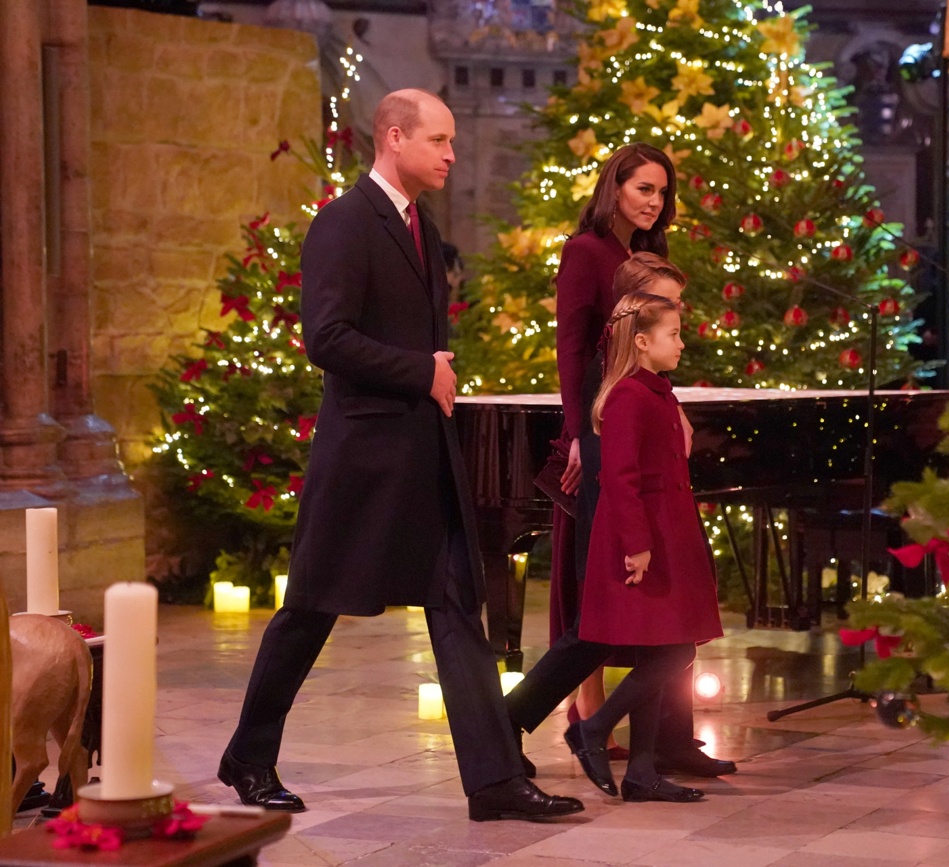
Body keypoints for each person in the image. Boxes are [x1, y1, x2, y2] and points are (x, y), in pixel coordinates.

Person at [216, 89, 582, 823]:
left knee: (457, 610)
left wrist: (430, 379)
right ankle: (248, 758)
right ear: (393, 138)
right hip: (364, 460)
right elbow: (326, 336)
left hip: (423, 455)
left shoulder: (420, 221)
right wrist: (422, 371)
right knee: (310, 609)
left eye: (451, 140)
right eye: (439, 140)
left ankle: (494, 782)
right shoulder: (344, 223)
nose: (451, 153)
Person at [504, 143, 734, 778]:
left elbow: (644, 353)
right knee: (609, 603)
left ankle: (668, 741)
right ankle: (522, 723)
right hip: (604, 428)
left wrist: (675, 404)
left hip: (634, 415)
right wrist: (580, 433)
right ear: (615, 187)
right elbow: (574, 348)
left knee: (665, 596)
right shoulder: (587, 252)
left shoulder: (644, 259)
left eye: (662, 191)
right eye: (642, 188)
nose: (653, 200)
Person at [566, 290, 724, 803]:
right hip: (646, 539)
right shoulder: (630, 396)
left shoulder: (656, 390)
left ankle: (641, 772)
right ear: (641, 341)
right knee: (672, 649)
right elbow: (620, 477)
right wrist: (637, 545)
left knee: (666, 647)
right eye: (673, 334)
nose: (681, 343)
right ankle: (594, 729)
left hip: (667, 533)